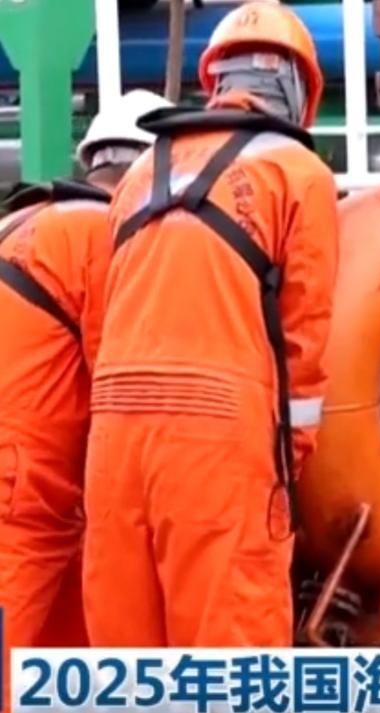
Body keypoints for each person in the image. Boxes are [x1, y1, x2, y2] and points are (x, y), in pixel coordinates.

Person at [81, 0, 337, 646]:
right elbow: (305, 336)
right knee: (229, 654)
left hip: (113, 439)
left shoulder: (140, 174)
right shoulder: (299, 174)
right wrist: (287, 463)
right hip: (217, 441)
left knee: (127, 654)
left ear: (215, 78)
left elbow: (107, 315)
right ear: (300, 89)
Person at [0, 90, 173, 659]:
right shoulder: (105, 238)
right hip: (23, 487)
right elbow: (123, 385)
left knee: (51, 665)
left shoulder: (29, 220)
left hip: (37, 485)